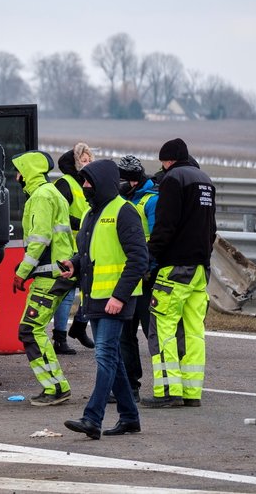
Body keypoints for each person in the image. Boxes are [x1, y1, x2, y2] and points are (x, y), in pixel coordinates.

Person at [61, 159, 149, 439]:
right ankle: (130, 417)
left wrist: (120, 296)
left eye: (89, 182)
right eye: (83, 181)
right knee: (114, 358)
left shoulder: (125, 211)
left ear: (102, 183)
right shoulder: (91, 214)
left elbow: (139, 260)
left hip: (115, 300)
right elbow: (90, 254)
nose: (85, 186)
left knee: (104, 356)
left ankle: (92, 418)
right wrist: (75, 264)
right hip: (95, 298)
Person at [143, 138, 216, 408]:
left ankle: (167, 391)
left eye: (163, 161)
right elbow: (212, 229)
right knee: (195, 331)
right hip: (200, 269)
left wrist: (149, 258)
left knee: (163, 329)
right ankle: (191, 392)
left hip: (174, 268)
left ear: (169, 160)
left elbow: (165, 226)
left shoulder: (173, 180)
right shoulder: (206, 180)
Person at [10, 150, 76, 406]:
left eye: (19, 170)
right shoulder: (49, 193)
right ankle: (56, 386)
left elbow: (39, 240)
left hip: (49, 276)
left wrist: (20, 273)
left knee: (30, 329)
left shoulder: (40, 196)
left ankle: (56, 388)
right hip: (53, 273)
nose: (16, 175)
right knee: (32, 329)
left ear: (28, 172)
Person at [115, 154, 158, 403]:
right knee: (125, 335)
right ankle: (130, 386)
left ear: (133, 181)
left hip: (146, 275)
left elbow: (155, 238)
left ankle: (165, 385)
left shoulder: (152, 200)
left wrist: (145, 266)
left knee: (151, 332)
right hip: (128, 275)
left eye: (123, 179)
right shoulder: (122, 199)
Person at [52, 142, 95, 354]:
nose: (87, 164)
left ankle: (79, 327)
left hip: (86, 246)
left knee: (89, 290)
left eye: (89, 160)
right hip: (68, 246)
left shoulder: (87, 183)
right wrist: (82, 224)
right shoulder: (65, 183)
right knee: (68, 293)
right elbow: (59, 215)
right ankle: (59, 338)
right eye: (83, 161)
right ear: (76, 162)